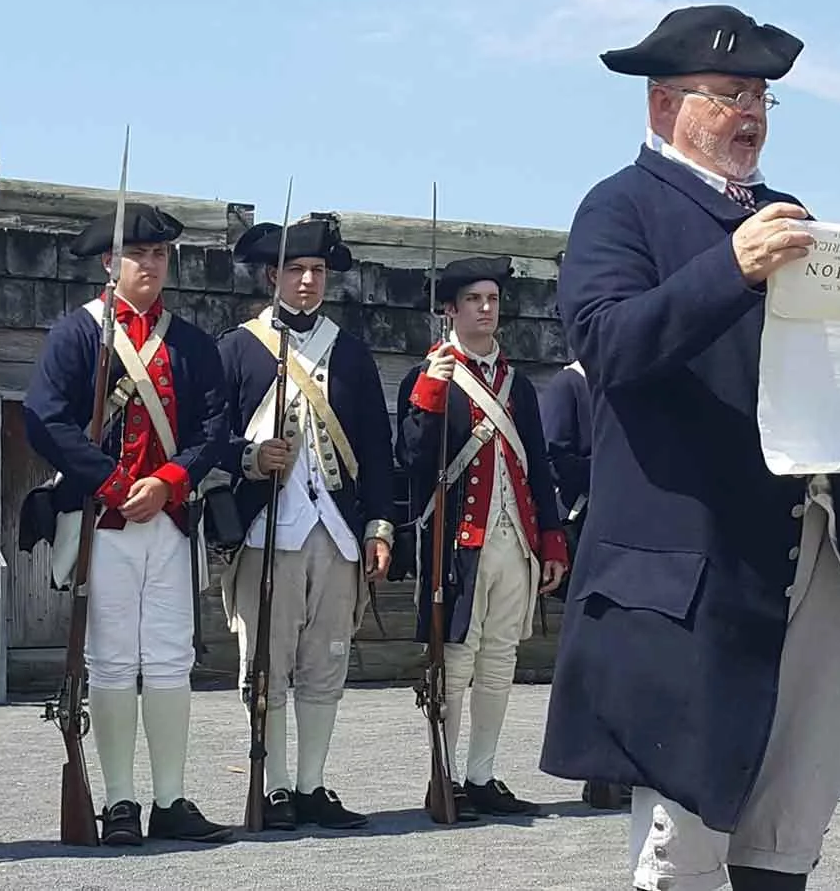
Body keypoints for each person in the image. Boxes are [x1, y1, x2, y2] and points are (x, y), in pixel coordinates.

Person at [538, 4, 840, 891]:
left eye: (760, 95)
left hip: (817, 553)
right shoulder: (619, 207)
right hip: (700, 569)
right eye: (729, 93)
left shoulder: (791, 217)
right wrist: (731, 269)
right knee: (689, 835)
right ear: (663, 103)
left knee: (789, 824)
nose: (750, 112)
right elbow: (606, 344)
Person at [17, 202, 235, 847]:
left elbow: (215, 427)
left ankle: (169, 798)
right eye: (138, 255)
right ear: (110, 263)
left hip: (167, 520)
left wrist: (170, 480)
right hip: (102, 518)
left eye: (160, 255)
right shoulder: (76, 335)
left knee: (170, 659)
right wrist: (113, 483)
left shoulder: (191, 342)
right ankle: (118, 803)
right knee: (111, 663)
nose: (150, 264)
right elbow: (45, 421)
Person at [212, 214, 399, 832]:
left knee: (326, 661)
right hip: (269, 530)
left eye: (317, 271)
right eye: (296, 270)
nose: (308, 281)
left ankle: (314, 785)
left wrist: (378, 526)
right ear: (272, 276)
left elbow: (376, 447)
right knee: (265, 661)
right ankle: (274, 787)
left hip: (337, 531)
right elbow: (209, 439)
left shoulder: (349, 352)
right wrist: (248, 456)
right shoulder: (238, 348)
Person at [395, 254, 569, 817]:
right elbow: (413, 462)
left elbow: (538, 466)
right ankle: (443, 776)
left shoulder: (517, 385)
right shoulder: (427, 375)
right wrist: (427, 396)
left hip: (512, 539)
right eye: (474, 300)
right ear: (450, 310)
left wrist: (552, 538)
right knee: (457, 657)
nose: (486, 309)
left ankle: (482, 774)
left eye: (492, 299)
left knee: (500, 659)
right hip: (458, 540)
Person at [536, 354, 630, 811]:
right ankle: (599, 772)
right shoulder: (569, 385)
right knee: (597, 653)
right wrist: (617, 470)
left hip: (631, 528)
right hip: (588, 525)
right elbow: (554, 453)